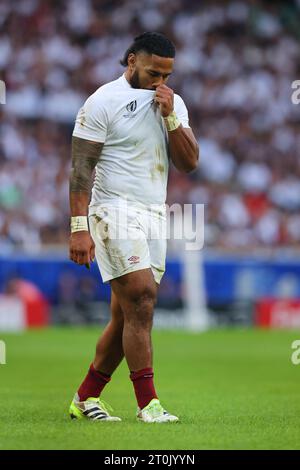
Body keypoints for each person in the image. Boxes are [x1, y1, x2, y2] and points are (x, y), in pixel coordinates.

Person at [68, 32, 199, 423]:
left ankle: (85, 398)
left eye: (166, 74)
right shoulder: (101, 101)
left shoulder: (172, 104)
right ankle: (149, 404)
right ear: (131, 62)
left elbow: (189, 162)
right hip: (112, 209)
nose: (160, 80)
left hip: (154, 213)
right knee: (142, 299)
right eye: (153, 71)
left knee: (128, 316)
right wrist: (79, 228)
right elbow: (80, 171)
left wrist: (171, 116)